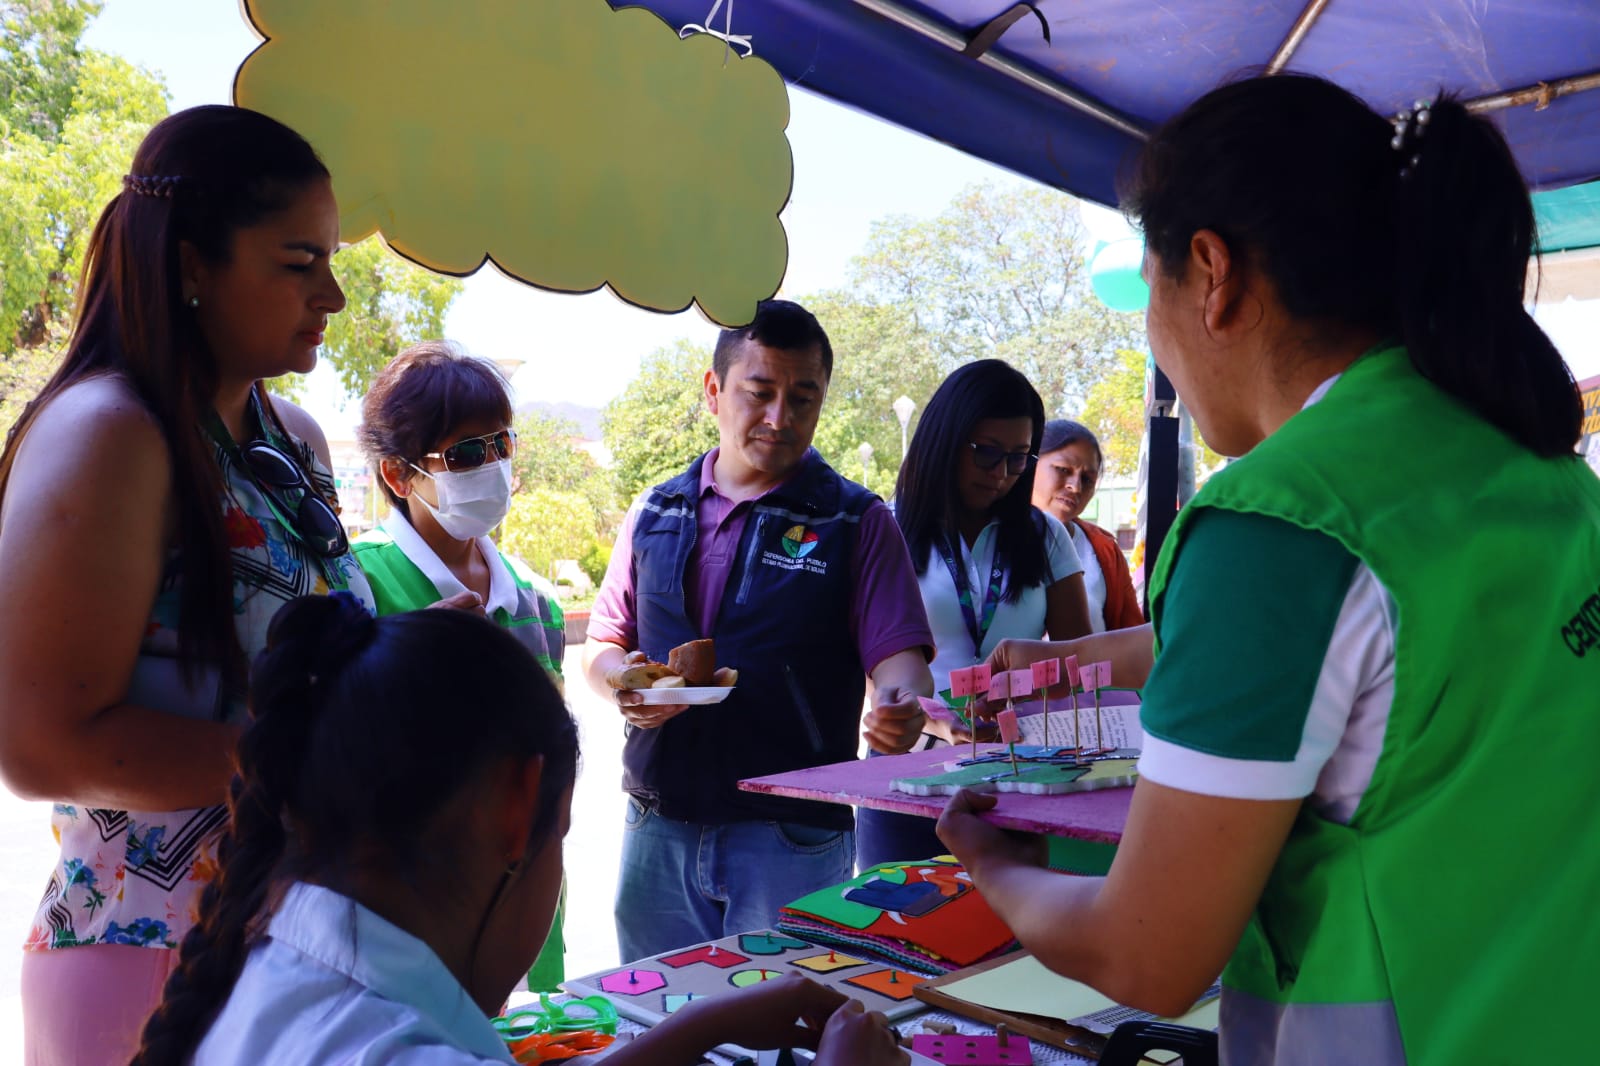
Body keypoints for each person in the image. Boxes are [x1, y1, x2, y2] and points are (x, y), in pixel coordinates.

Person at [938, 74, 1597, 1066]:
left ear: (1211, 273)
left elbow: (1147, 950)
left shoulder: (1280, 518)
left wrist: (994, 865)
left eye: (1147, 297)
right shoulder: (1534, 470)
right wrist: (1081, 662)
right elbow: (1381, 650)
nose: (1154, 341)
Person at [130, 596, 908, 1065]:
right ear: (519, 806)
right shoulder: (399, 1045)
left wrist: (698, 1027)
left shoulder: (274, 957)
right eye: (560, 830)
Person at [0, 106, 374, 1065]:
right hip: (148, 961)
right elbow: (40, 746)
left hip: (298, 956)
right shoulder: (111, 435)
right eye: (299, 263)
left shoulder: (294, 439)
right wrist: (328, 760)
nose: (331, 294)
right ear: (193, 267)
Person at [583, 299, 935, 962]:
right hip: (659, 822)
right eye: (760, 392)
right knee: (657, 1029)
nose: (781, 417)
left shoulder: (855, 521)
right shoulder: (655, 510)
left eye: (804, 397)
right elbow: (604, 643)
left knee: (782, 1033)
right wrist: (623, 687)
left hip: (792, 835)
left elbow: (902, 664)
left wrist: (901, 705)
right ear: (714, 391)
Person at [352, 340, 570, 989]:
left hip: (528, 914)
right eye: (466, 454)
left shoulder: (537, 605)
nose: (493, 465)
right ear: (398, 475)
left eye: (501, 444)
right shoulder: (357, 589)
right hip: (406, 924)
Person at [856, 361, 1093, 868]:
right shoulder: (885, 529)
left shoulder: (1045, 536)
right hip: (908, 769)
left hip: (1016, 771)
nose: (1003, 475)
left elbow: (1080, 663)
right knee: (898, 927)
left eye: (1018, 458)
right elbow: (872, 669)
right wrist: (932, 722)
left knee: (1008, 937)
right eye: (987, 454)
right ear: (945, 441)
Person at [1032, 419, 1144, 631]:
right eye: (1063, 470)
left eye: (1087, 479)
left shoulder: (1104, 550)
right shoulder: (990, 537)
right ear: (1030, 464)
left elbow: (1129, 633)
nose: (1075, 487)